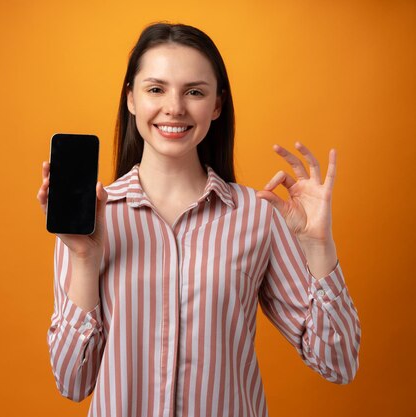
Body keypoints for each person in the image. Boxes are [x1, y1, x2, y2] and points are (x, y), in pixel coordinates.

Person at [37, 22, 361, 417]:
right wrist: (86, 259)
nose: (174, 107)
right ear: (131, 99)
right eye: (156, 89)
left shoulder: (257, 216)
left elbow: (339, 363)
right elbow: (73, 382)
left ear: (217, 105)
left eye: (194, 91)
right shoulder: (89, 219)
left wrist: (319, 247)